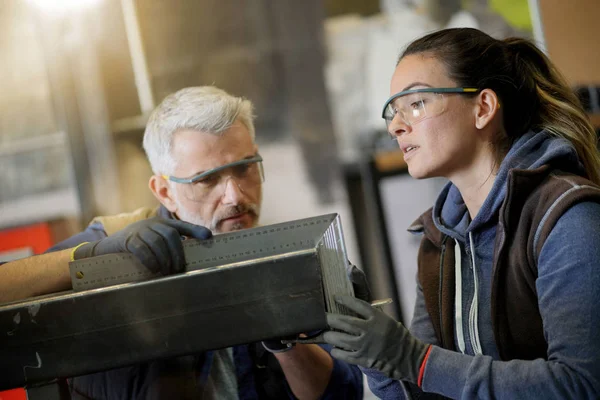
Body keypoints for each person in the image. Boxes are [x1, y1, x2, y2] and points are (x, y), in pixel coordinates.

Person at [1, 86, 363, 399]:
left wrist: (282, 332)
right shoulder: (114, 242)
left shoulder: (295, 257)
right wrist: (90, 259)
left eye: (244, 168)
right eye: (207, 180)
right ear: (164, 191)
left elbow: (341, 394)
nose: (235, 196)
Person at [322, 27, 600, 399]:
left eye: (416, 103)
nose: (395, 126)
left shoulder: (568, 219)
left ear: (483, 107)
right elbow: (425, 391)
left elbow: (581, 386)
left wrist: (414, 359)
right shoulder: (438, 240)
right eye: (393, 110)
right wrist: (373, 349)